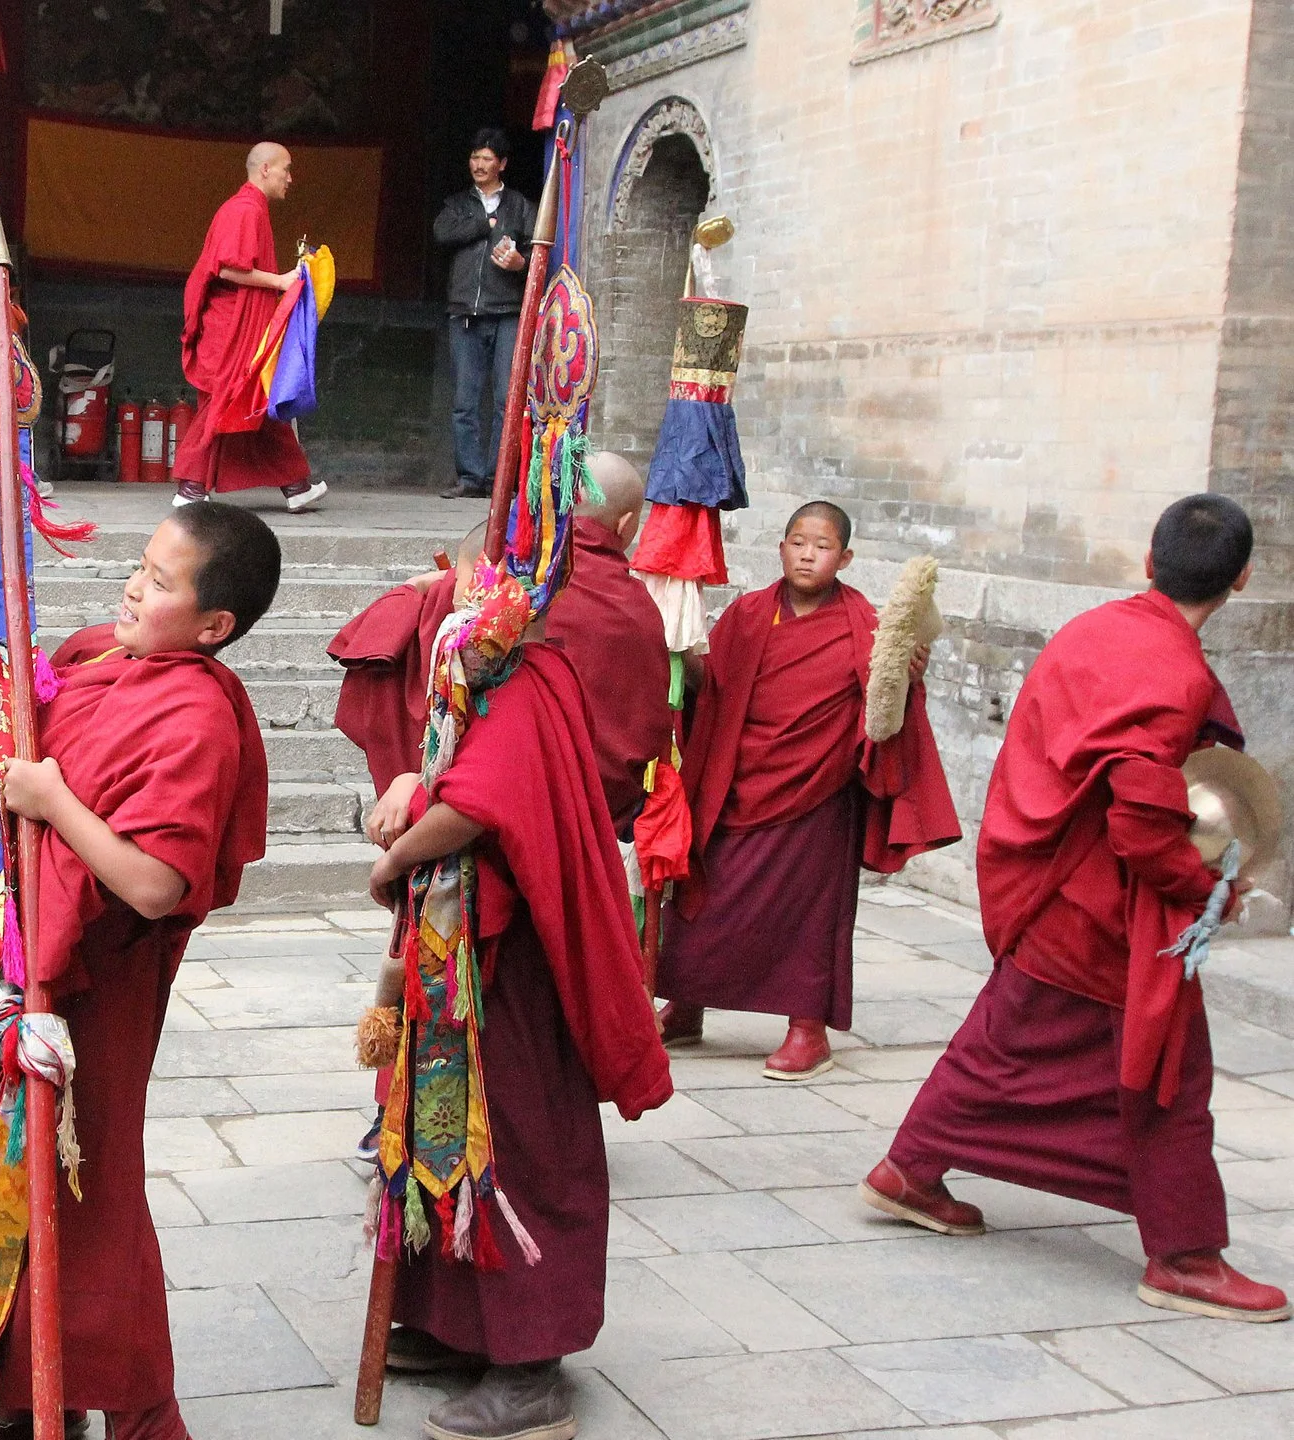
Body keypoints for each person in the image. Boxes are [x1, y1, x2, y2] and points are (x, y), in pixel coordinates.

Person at [0, 501, 277, 1440]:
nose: (135, 587)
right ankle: (24, 1387)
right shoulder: (96, 653)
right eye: (141, 566)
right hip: (8, 965)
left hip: (94, 990)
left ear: (213, 626)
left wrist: (55, 804)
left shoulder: (194, 715)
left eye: (162, 580)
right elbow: (2, 773)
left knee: (85, 1192)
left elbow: (153, 882)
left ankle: (152, 1428)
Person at [867, 495, 1285, 1323]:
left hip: (1051, 888)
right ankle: (1186, 1256)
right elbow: (1137, 819)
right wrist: (1204, 892)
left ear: (1148, 562)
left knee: (1006, 1043)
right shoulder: (1172, 671)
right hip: (1096, 910)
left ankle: (909, 1172)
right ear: (1242, 578)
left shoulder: (1099, 630)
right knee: (1170, 1072)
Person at [361, 571, 674, 1440]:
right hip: (455, 958)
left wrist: (395, 861)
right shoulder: (468, 673)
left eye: (460, 591)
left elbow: (478, 801)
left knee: (522, 1140)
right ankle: (454, 1323)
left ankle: (532, 1365)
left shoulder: (529, 676)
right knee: (439, 1123)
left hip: (517, 960)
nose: (447, 606)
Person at [654, 501, 960, 1079]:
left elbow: (884, 711)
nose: (807, 554)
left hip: (817, 789)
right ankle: (687, 1004)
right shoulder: (746, 614)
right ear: (781, 548)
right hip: (736, 782)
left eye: (821, 547)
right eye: (797, 542)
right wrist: (679, 655)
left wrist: (904, 676)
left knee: (809, 914)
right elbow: (712, 689)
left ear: (844, 558)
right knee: (705, 898)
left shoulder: (864, 625)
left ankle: (807, 1029)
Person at [332, 452, 673, 832]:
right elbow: (648, 729)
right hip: (580, 814)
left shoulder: (505, 616)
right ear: (625, 525)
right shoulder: (633, 609)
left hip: (487, 814)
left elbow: (482, 792)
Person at [170, 143, 327, 512]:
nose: (291, 178)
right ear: (266, 169)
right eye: (286, 169)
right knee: (227, 401)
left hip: (243, 325)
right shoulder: (243, 210)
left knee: (258, 404)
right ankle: (191, 487)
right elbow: (226, 268)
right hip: (229, 328)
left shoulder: (253, 209)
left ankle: (296, 485)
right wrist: (282, 281)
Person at [433, 130, 535, 499]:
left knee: (507, 399)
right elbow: (442, 234)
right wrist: (484, 225)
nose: (479, 165)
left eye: (487, 158)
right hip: (465, 312)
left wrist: (520, 263)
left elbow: (540, 256)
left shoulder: (521, 206)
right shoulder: (458, 203)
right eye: (475, 157)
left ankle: (500, 479)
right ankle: (470, 478)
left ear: (502, 164)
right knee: (465, 400)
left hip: (507, 312)